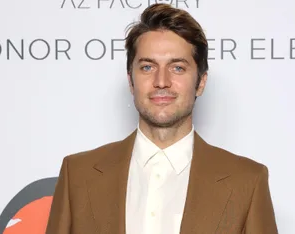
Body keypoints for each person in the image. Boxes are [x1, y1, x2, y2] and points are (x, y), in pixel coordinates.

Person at [46, 3, 278, 234]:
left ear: (201, 82)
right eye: (147, 67)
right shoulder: (77, 175)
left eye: (177, 68)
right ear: (131, 81)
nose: (161, 81)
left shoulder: (247, 182)